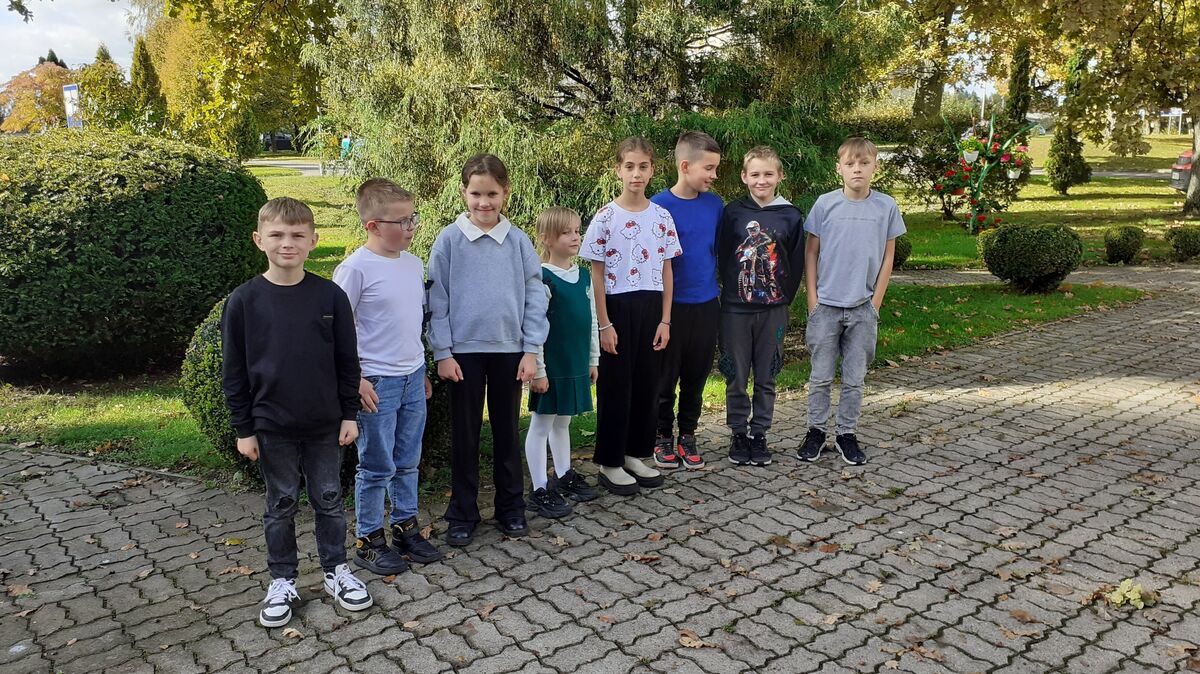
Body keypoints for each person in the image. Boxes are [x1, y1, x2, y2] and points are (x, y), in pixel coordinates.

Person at [220, 197, 372, 628]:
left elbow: (348, 362)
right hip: (271, 427)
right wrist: (243, 428)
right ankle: (282, 579)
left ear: (313, 241)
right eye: (277, 235)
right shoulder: (244, 301)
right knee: (281, 503)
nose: (287, 243)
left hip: (326, 424)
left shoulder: (330, 296)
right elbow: (234, 372)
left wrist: (348, 414)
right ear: (259, 240)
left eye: (297, 236)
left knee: (328, 499)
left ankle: (336, 571)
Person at [427, 154, 549, 547]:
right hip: (462, 353)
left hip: (509, 352)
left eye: (492, 194)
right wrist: (442, 352)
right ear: (464, 192)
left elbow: (534, 295)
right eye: (476, 194)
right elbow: (437, 299)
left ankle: (510, 508)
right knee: (465, 436)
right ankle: (462, 512)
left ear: (505, 193)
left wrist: (531, 349)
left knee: (506, 432)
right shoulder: (449, 239)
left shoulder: (517, 241)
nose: (484, 202)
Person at [333, 179, 442, 577]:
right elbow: (335, 332)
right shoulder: (355, 269)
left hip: (412, 377)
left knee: (408, 460)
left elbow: (413, 324)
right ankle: (368, 539)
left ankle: (406, 527)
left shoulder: (413, 264)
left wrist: (422, 369)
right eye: (402, 221)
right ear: (373, 225)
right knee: (376, 465)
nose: (412, 227)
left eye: (413, 218)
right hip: (375, 383)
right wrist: (355, 380)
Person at [582, 137, 680, 496]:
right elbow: (595, 273)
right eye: (629, 166)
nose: (636, 174)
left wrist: (665, 319)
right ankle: (610, 461)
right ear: (618, 170)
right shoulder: (606, 218)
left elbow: (667, 269)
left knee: (646, 385)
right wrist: (604, 323)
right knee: (617, 387)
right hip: (617, 308)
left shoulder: (662, 217)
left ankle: (636, 453)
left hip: (652, 306)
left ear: (652, 169)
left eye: (643, 166)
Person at [800, 137, 906, 466]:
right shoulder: (825, 204)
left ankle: (847, 433)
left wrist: (875, 302)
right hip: (827, 306)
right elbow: (811, 252)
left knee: (854, 378)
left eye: (864, 163)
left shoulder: (885, 206)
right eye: (850, 164)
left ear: (875, 166)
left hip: (862, 307)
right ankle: (815, 431)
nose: (857, 169)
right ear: (839, 169)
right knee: (819, 377)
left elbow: (889, 257)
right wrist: (813, 300)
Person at [716, 146, 805, 467]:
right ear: (744, 177)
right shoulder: (733, 213)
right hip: (736, 309)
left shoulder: (791, 215)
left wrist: (783, 299)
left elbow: (796, 264)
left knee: (767, 374)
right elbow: (724, 253)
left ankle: (760, 432)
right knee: (736, 374)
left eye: (768, 174)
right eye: (755, 174)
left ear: (780, 176)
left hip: (773, 309)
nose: (762, 180)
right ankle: (738, 432)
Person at [649, 131, 723, 470]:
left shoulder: (715, 204)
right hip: (670, 308)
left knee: (696, 375)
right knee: (666, 377)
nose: (713, 175)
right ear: (684, 165)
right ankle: (662, 435)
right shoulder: (659, 206)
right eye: (708, 168)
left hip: (707, 304)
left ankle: (688, 434)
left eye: (715, 169)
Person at [523, 207, 601, 518]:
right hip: (551, 365)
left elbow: (591, 319)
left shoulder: (582, 276)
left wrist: (593, 358)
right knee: (542, 422)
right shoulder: (542, 278)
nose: (575, 237)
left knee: (564, 420)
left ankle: (565, 474)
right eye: (566, 232)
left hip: (576, 361)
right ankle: (540, 487)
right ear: (546, 238)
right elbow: (534, 325)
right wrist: (539, 370)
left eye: (577, 230)